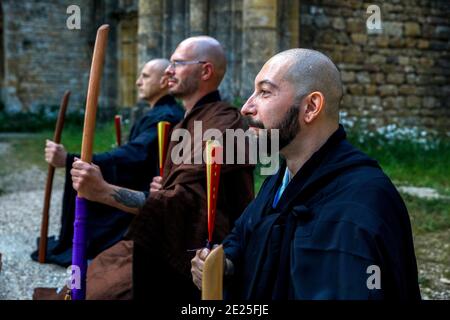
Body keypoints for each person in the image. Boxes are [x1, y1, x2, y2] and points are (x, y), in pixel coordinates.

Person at [191, 48, 421, 300]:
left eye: (265, 92)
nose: (246, 107)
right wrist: (222, 267)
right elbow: (242, 242)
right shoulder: (278, 183)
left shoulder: (363, 201)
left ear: (311, 107)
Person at [70, 36, 255, 300]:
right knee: (98, 275)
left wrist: (103, 191)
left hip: (201, 251)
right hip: (169, 235)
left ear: (205, 71)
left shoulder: (224, 123)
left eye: (177, 63)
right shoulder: (184, 124)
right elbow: (179, 189)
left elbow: (189, 202)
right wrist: (164, 187)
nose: (168, 71)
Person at [32, 59, 184, 267]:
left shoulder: (165, 116)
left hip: (147, 198)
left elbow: (134, 155)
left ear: (165, 81)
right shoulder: (158, 113)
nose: (138, 82)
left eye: (146, 76)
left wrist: (70, 159)